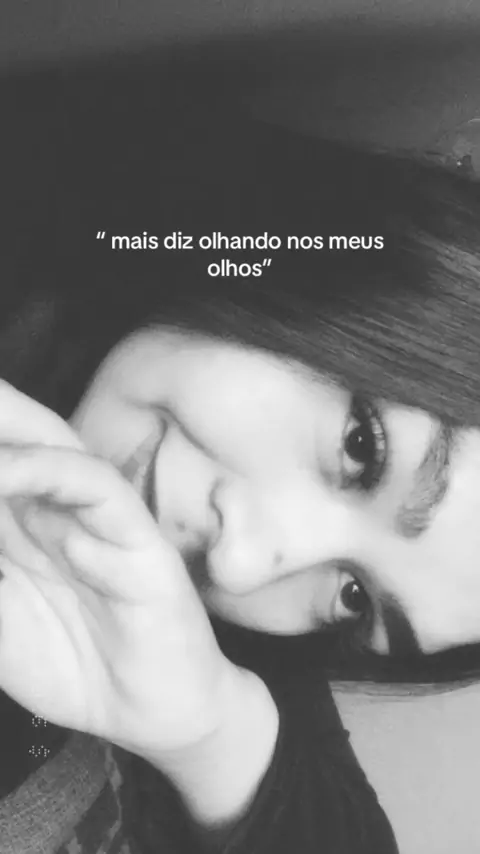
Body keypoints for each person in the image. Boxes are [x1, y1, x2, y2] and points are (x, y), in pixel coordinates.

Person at [1, 122, 479, 852]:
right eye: (361, 446)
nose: (239, 565)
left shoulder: (214, 651)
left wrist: (212, 735)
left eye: (354, 598)